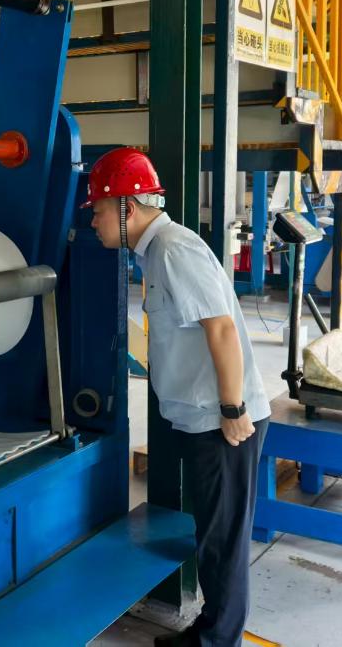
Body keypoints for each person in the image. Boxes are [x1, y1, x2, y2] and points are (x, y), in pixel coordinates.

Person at [84, 147, 270, 647]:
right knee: (213, 535)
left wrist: (233, 409)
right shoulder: (155, 252)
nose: (95, 222)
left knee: (222, 542)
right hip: (203, 417)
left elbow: (222, 329)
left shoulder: (171, 249)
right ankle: (212, 632)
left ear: (127, 207)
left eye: (99, 211)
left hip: (222, 421)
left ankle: (217, 641)